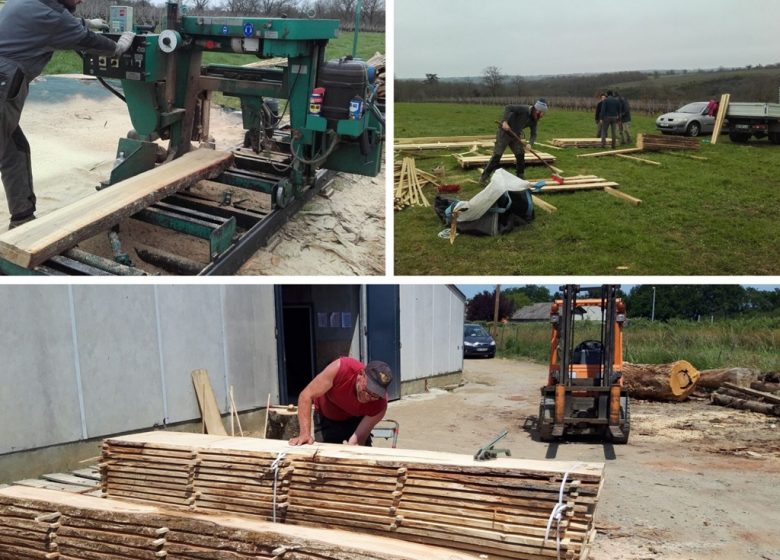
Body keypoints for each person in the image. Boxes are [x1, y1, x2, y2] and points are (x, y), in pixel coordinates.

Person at [0, 0, 135, 229]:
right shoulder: (53, 17)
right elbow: (85, 40)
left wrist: (86, 22)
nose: (82, 0)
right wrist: (117, 48)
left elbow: (54, 22)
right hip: (4, 83)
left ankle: (22, 219)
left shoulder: (26, 2)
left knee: (14, 150)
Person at [288, 357, 393, 447]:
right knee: (324, 461)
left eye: (375, 394)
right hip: (326, 417)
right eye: (367, 390)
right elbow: (306, 395)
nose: (368, 397)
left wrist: (353, 451)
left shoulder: (380, 404)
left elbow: (359, 438)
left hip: (355, 419)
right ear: (361, 374)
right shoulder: (341, 369)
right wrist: (305, 434)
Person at [479, 98, 548, 184]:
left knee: (520, 154)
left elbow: (533, 134)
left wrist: (530, 144)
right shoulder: (524, 109)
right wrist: (504, 121)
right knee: (497, 156)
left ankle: (520, 176)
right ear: (537, 110)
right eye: (542, 113)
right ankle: (483, 178)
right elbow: (508, 107)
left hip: (515, 135)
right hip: (504, 133)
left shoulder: (534, 120)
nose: (543, 115)